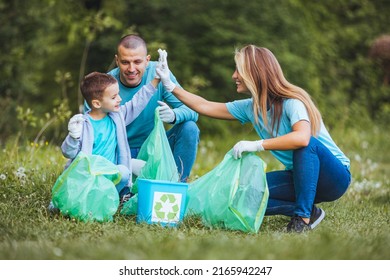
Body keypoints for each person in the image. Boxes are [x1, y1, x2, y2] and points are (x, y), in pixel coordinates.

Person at [155, 46, 351, 233]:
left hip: (333, 178)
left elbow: (301, 138)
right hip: (299, 179)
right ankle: (309, 211)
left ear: (255, 73)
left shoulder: (292, 102)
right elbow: (205, 106)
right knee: (243, 196)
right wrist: (170, 85)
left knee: (307, 144)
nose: (234, 76)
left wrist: (257, 145)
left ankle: (302, 220)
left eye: (238, 70)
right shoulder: (251, 107)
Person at [105, 34, 200, 182]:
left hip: (154, 148)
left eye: (137, 62)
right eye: (125, 62)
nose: (131, 69)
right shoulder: (106, 84)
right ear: (117, 60)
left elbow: (193, 110)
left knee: (190, 128)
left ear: (147, 60)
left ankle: (175, 186)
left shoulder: (159, 73)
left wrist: (174, 115)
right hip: (119, 153)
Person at [61, 72, 159, 201]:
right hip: (89, 176)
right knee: (67, 198)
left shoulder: (117, 116)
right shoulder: (83, 124)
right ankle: (87, 198)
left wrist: (156, 79)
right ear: (96, 103)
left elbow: (136, 103)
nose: (119, 99)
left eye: (118, 94)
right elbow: (68, 152)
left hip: (109, 174)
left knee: (125, 172)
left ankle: (110, 198)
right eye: (113, 97)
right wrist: (73, 137)